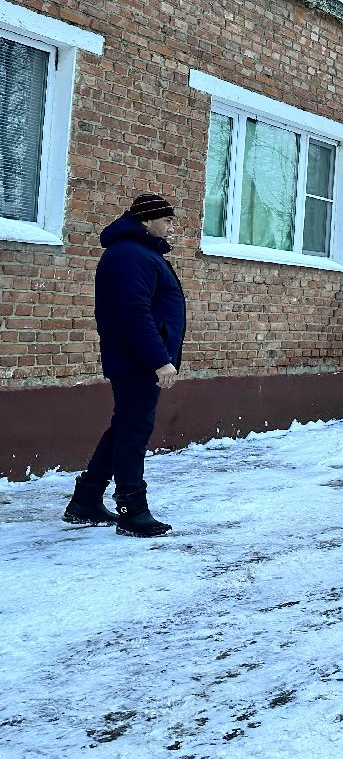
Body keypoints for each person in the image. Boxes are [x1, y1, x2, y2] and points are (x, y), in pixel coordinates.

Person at [63, 193, 187, 537]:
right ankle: (132, 509)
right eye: (167, 219)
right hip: (138, 361)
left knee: (124, 427)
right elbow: (134, 315)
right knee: (133, 433)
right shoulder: (131, 255)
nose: (171, 226)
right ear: (146, 220)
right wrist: (159, 360)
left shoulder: (138, 252)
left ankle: (86, 501)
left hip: (137, 358)